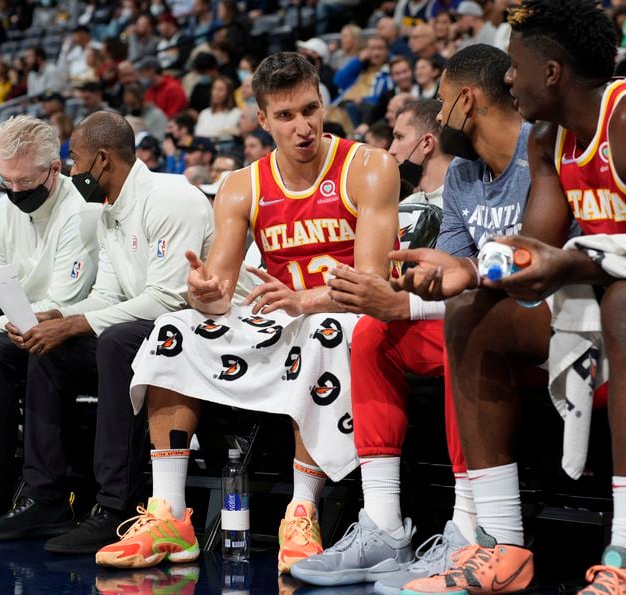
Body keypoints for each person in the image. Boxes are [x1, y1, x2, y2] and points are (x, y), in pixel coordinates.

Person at [391, 1, 626, 593]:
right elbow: (534, 256)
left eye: (515, 67)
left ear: (551, 73)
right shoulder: (549, 136)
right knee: (474, 312)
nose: (508, 79)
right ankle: (499, 545)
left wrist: (574, 261)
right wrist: (466, 271)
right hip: (621, 313)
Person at [95, 52, 400, 575]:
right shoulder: (242, 185)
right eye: (285, 117)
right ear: (262, 120)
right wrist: (201, 291)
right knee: (174, 327)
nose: (302, 127)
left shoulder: (368, 166)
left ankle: (301, 510)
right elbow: (219, 294)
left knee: (322, 330)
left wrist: (304, 300)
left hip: (346, 316)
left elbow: (370, 285)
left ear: (322, 101)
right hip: (278, 317)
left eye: (310, 109)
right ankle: (170, 516)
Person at [293, 48, 533, 591]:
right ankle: (383, 524)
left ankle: (470, 530)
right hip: (476, 316)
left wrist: (416, 301)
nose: (438, 112)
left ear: (465, 101)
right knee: (374, 331)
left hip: (536, 322)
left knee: (463, 323)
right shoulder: (462, 177)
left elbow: (534, 270)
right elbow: (442, 273)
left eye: (443, 101)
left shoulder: (538, 157)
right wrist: (390, 291)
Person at [0, 111, 230, 556]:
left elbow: (168, 298)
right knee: (48, 348)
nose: (71, 170)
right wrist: (56, 318)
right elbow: (106, 294)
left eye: (76, 159)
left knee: (116, 341)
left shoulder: (170, 197)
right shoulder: (107, 213)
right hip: (142, 330)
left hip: (200, 330)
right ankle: (45, 497)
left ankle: (114, 507)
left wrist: (76, 323)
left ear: (102, 160)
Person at [0, 116, 101, 514]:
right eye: (7, 181)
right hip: (13, 326)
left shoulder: (80, 214)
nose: (15, 191)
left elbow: (60, 303)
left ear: (54, 169)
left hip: (63, 330)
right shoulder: (5, 206)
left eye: (24, 182)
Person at [194, 77, 242, 142]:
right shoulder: (204, 113)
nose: (216, 93)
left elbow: (225, 135)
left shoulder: (236, 113)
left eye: (221, 89)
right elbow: (198, 134)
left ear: (228, 93)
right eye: (214, 88)